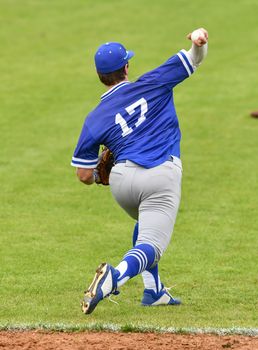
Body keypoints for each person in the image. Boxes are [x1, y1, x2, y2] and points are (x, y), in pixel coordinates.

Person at [71, 28, 208, 314]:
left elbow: (84, 175)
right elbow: (194, 59)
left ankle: (153, 291)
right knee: (151, 245)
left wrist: (99, 175)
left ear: (99, 75)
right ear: (126, 67)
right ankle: (113, 277)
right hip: (159, 176)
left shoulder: (94, 118)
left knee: (145, 223)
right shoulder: (153, 82)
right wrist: (198, 41)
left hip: (122, 182)